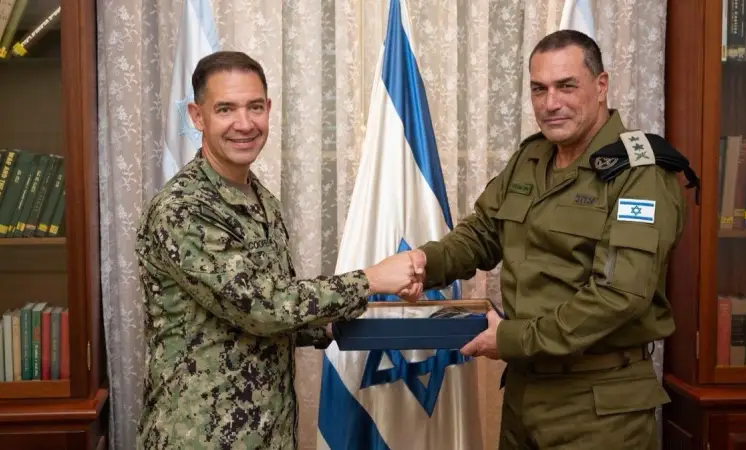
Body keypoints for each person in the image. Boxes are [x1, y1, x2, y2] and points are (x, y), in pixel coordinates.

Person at [408, 30, 697, 449]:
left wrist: (511, 339)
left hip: (598, 406)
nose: (550, 103)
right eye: (539, 89)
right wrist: (423, 263)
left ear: (601, 85)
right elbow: (482, 234)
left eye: (566, 86)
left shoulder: (640, 174)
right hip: (525, 394)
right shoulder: (531, 157)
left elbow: (618, 295)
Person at [135, 51, 423, 450]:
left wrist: (334, 325)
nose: (244, 123)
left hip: (269, 432)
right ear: (197, 117)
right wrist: (370, 280)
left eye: (255, 107)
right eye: (225, 109)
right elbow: (262, 306)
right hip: (200, 437)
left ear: (268, 109)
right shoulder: (183, 209)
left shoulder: (260, 198)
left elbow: (267, 315)